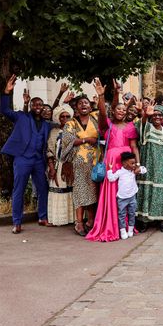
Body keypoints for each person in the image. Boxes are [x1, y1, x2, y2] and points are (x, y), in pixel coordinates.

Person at [86, 79, 139, 242]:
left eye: (124, 109)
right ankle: (111, 226)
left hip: (127, 163)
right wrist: (101, 96)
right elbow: (102, 114)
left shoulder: (130, 126)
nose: (122, 111)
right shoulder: (107, 124)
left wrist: (137, 164)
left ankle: (125, 226)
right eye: (119, 109)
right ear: (113, 112)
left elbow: (134, 146)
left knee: (126, 194)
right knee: (112, 194)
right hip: (111, 163)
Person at [0, 75, 51, 233]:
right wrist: (7, 92)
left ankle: (42, 217)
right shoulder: (21, 117)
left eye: (40, 104)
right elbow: (4, 110)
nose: (38, 106)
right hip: (22, 158)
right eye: (35, 104)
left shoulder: (46, 124)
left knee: (43, 188)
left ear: (43, 107)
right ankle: (17, 222)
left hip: (38, 160)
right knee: (19, 190)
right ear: (31, 105)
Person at [136, 104, 163, 232]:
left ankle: (162, 221)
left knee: (162, 193)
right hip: (148, 166)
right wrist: (145, 115)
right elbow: (140, 128)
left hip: (162, 168)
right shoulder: (147, 127)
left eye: (160, 115)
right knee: (147, 191)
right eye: (154, 115)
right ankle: (144, 221)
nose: (157, 117)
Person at [61, 95, 100, 236]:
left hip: (95, 162)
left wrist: (100, 97)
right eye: (80, 103)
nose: (84, 104)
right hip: (77, 163)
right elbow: (68, 140)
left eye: (86, 102)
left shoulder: (95, 118)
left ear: (90, 106)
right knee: (80, 191)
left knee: (93, 191)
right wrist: (87, 139)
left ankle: (90, 221)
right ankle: (79, 223)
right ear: (76, 107)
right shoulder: (70, 123)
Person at [46, 105, 75, 226]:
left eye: (67, 116)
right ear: (58, 118)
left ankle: (72, 218)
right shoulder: (53, 132)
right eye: (62, 116)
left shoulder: (75, 130)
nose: (65, 118)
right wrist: (52, 168)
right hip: (58, 165)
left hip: (71, 165)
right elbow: (49, 151)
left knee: (71, 190)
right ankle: (58, 219)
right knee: (58, 189)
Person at [107, 152, 147, 240]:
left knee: (132, 213)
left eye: (134, 163)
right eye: (132, 163)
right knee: (121, 214)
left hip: (132, 197)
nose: (133, 165)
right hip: (122, 198)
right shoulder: (120, 172)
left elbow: (145, 170)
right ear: (124, 163)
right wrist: (109, 170)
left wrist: (138, 168)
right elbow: (111, 179)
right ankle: (122, 230)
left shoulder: (133, 171)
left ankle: (131, 229)